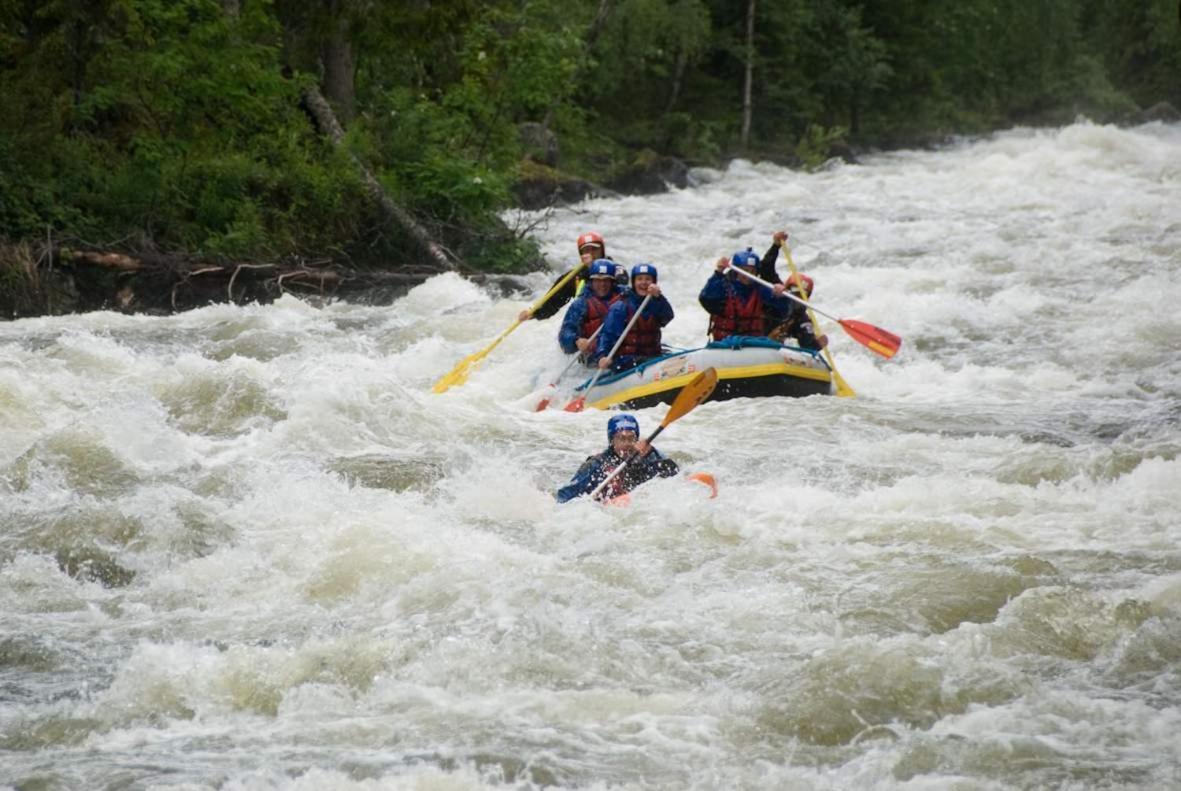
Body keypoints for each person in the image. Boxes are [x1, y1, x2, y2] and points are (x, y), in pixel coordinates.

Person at [555, 414, 679, 503]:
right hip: (607, 509)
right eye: (621, 438)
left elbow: (675, 474)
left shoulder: (647, 454)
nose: (626, 444)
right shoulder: (596, 463)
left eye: (631, 438)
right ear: (612, 440)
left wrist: (650, 453)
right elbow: (564, 495)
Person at [699, 247, 792, 341]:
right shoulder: (723, 287)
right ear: (736, 271)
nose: (749, 275)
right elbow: (706, 299)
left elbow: (783, 312)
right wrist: (719, 272)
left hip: (752, 343)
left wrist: (781, 296)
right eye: (745, 271)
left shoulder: (761, 289)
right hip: (724, 343)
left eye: (752, 271)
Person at [595, 263, 674, 372]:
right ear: (633, 282)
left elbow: (667, 317)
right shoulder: (621, 307)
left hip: (652, 356)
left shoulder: (656, 303)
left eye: (648, 279)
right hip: (626, 360)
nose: (643, 283)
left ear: (654, 283)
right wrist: (602, 355)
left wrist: (659, 298)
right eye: (639, 279)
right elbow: (607, 334)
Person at [518, 231, 607, 322]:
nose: (591, 254)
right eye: (587, 250)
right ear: (582, 255)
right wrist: (533, 313)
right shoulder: (574, 277)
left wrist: (593, 268)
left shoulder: (616, 270)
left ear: (602, 251)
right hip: (588, 322)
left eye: (595, 249)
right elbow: (553, 301)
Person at [558, 260, 627, 361]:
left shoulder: (625, 295)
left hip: (624, 354)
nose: (602, 284)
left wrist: (655, 298)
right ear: (591, 281)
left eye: (606, 280)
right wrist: (576, 341)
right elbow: (565, 333)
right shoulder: (581, 304)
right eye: (598, 280)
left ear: (613, 282)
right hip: (594, 361)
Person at [767, 272, 828, 351]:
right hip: (756, 344)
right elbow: (766, 269)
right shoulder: (771, 301)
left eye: (802, 295)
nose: (797, 298)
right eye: (795, 292)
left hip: (778, 353)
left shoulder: (803, 319)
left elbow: (808, 347)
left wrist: (817, 345)